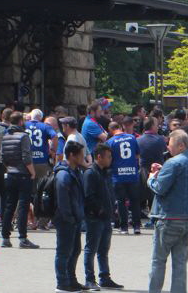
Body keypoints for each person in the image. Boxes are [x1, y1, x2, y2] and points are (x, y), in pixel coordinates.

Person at [147, 129, 188, 293]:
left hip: (169, 218)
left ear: (180, 145)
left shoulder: (173, 163)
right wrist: (163, 170)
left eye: (170, 144)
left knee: (158, 261)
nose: (167, 147)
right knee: (180, 264)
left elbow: (160, 188)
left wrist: (152, 178)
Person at [83, 143, 124, 291]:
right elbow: (88, 196)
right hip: (95, 218)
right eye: (108, 156)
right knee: (91, 249)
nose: (111, 159)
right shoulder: (90, 173)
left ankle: (104, 277)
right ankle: (89, 279)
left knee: (103, 250)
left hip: (106, 217)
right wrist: (99, 211)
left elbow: (109, 193)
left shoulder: (105, 172)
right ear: (99, 157)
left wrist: (113, 208)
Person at [0, 111, 39, 249]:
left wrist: (10, 167)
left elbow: (2, 157)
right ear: (21, 122)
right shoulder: (23, 136)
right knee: (23, 206)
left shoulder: (5, 136)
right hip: (23, 174)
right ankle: (22, 238)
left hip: (10, 174)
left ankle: (5, 238)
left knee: (9, 205)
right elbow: (26, 157)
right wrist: (32, 172)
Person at [53, 141, 86, 293]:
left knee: (75, 250)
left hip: (75, 218)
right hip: (66, 219)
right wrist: (69, 217)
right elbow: (62, 200)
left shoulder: (75, 171)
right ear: (72, 155)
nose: (83, 157)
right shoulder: (63, 174)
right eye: (80, 154)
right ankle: (62, 282)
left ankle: (71, 280)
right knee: (64, 251)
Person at [106, 122, 141, 235]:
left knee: (121, 202)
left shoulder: (110, 142)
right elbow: (137, 155)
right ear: (120, 127)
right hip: (132, 174)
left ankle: (124, 227)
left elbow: (109, 160)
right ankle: (137, 226)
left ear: (110, 130)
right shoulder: (131, 138)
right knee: (135, 201)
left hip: (118, 176)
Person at [138, 117, 168, 223]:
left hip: (143, 170)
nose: (158, 126)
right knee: (155, 194)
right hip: (157, 170)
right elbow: (165, 151)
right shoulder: (160, 139)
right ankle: (154, 216)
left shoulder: (139, 140)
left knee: (143, 193)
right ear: (152, 126)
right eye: (156, 125)